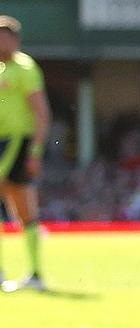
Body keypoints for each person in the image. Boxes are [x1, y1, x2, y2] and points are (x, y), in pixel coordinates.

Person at [0, 16, 49, 293]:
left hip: (17, 142)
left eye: (3, 36)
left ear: (15, 40)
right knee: (21, 208)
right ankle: (31, 272)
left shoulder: (25, 68)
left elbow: (41, 113)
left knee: (23, 207)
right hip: (2, 142)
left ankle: (35, 273)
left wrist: (34, 151)